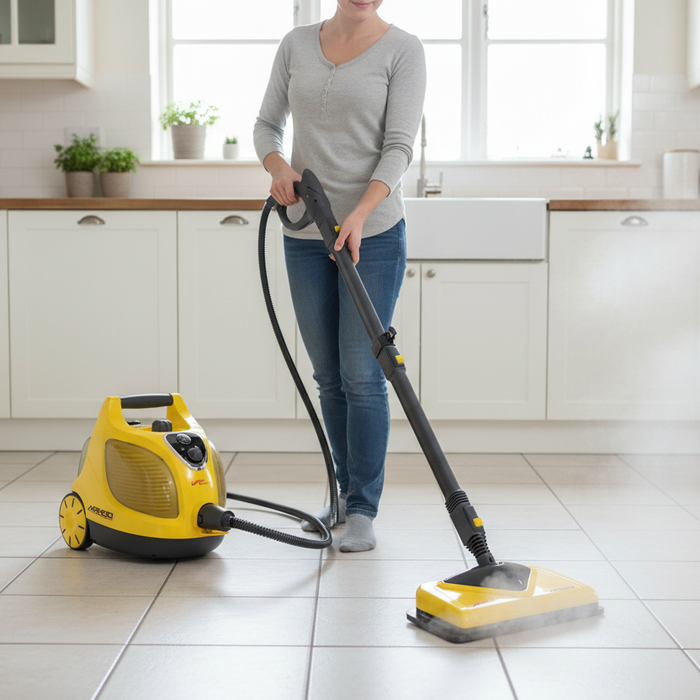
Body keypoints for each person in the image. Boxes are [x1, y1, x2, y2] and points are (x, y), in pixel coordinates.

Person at [254, 0, 426, 552]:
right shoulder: (296, 44)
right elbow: (266, 126)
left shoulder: (403, 50)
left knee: (362, 373)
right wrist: (279, 168)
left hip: (371, 234)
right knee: (328, 373)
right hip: (305, 234)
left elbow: (399, 147)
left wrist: (357, 214)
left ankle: (364, 511)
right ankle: (344, 492)